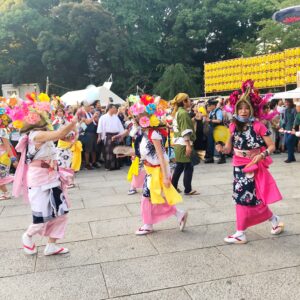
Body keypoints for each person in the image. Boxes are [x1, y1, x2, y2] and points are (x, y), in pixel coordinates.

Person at [218, 81, 284, 244]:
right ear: (236, 109)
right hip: (238, 166)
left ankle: (241, 232)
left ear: (252, 109)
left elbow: (271, 146)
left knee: (245, 197)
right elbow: (228, 148)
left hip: (254, 166)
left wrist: (261, 156)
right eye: (240, 108)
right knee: (246, 198)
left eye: (247, 107)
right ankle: (273, 220)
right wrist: (221, 148)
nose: (244, 111)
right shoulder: (233, 126)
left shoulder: (258, 126)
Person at [10, 97, 77, 256]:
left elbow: (61, 135)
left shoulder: (42, 133)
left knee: (61, 212)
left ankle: (52, 245)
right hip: (39, 179)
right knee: (42, 216)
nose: (45, 114)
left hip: (52, 177)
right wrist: (74, 121)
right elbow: (59, 133)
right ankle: (27, 236)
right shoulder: (35, 135)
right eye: (42, 113)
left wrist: (70, 131)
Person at [129, 94, 188, 235]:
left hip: (157, 172)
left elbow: (161, 157)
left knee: (147, 198)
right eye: (137, 115)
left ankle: (148, 224)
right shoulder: (144, 133)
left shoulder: (153, 134)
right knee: (153, 198)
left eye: (142, 115)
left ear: (149, 116)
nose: (139, 118)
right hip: (150, 171)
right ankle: (178, 214)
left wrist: (166, 177)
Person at [171, 93, 199, 195]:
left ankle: (173, 187)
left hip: (179, 143)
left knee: (179, 167)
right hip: (184, 144)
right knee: (188, 167)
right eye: (189, 100)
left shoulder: (178, 112)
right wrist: (188, 145)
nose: (190, 102)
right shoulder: (183, 113)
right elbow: (185, 131)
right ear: (184, 102)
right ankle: (187, 189)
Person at [97, 104, 125, 170]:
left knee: (117, 150)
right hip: (108, 135)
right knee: (109, 152)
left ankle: (116, 166)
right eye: (114, 108)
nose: (115, 109)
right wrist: (99, 137)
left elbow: (120, 127)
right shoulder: (103, 117)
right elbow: (100, 128)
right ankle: (109, 166)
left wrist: (122, 136)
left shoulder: (116, 117)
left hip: (116, 135)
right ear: (110, 108)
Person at [205, 97, 226, 164]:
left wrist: (210, 120)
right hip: (212, 129)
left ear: (214, 105)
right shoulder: (211, 112)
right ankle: (210, 158)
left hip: (218, 129)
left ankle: (222, 158)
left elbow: (219, 120)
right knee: (210, 143)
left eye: (210, 105)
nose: (209, 107)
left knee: (219, 143)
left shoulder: (218, 111)